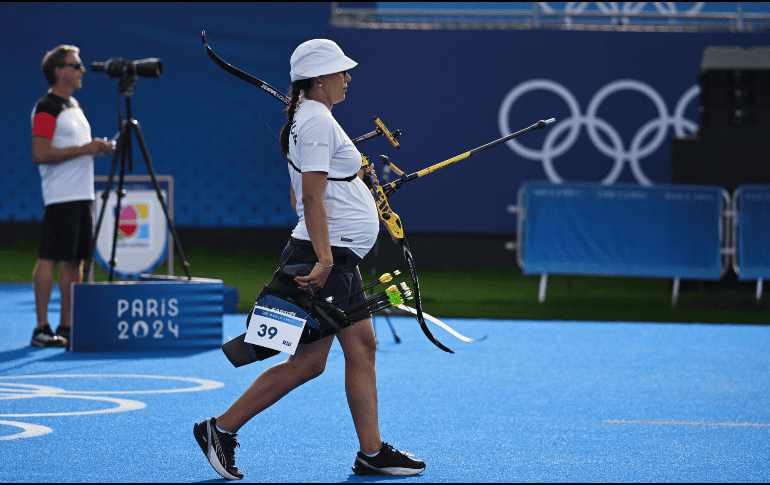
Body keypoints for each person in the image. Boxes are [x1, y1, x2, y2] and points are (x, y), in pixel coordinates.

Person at [194, 39, 426, 479]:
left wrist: (354, 179)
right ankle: (220, 429)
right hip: (325, 260)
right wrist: (322, 260)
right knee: (306, 363)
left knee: (360, 347)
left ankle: (371, 452)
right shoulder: (316, 121)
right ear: (319, 78)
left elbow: (304, 194)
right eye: (341, 72)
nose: (348, 78)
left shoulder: (310, 120)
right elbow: (310, 198)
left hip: (336, 259)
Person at [30, 45, 114, 348]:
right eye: (75, 65)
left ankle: (67, 326)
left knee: (75, 261)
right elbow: (40, 153)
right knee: (50, 258)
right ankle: (41, 327)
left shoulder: (74, 105)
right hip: (60, 197)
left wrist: (96, 148)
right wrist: (86, 149)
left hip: (83, 195)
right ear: (58, 70)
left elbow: (76, 147)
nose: (81, 70)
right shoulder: (46, 106)